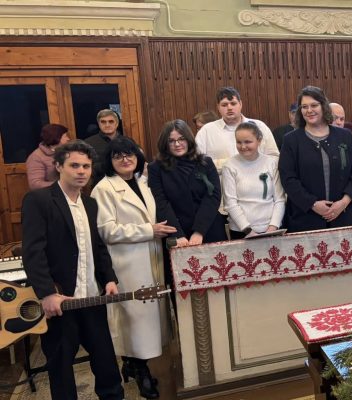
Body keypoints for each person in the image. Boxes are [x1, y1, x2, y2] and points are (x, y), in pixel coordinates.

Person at [21, 140, 124, 400]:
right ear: (58, 166)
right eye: (74, 165)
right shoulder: (38, 200)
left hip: (91, 298)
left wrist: (109, 279)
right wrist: (47, 293)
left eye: (86, 166)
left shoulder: (90, 204)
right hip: (60, 301)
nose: (81, 171)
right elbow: (33, 253)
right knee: (61, 368)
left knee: (106, 362)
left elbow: (98, 246)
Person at [90, 137, 174, 399]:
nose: (125, 160)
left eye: (130, 154)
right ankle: (138, 368)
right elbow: (106, 230)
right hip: (126, 263)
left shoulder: (142, 182)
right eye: (118, 156)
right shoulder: (104, 189)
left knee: (149, 318)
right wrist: (148, 230)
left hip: (151, 257)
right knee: (134, 319)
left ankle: (137, 364)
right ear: (110, 161)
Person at [148, 119, 227, 288]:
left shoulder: (205, 162)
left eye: (181, 139)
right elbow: (161, 202)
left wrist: (199, 231)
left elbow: (213, 197)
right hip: (178, 233)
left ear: (189, 139)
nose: (177, 144)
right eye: (171, 140)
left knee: (217, 284)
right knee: (184, 287)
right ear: (165, 143)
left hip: (208, 228)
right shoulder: (156, 168)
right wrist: (178, 235)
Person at [278, 86, 352, 233]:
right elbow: (288, 178)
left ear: (323, 106)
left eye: (314, 105)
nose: (309, 110)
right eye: (304, 107)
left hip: (343, 217)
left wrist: (344, 202)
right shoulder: (291, 140)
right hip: (305, 218)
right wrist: (312, 204)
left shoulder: (345, 136)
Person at [221, 121, 286, 239]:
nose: (243, 146)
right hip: (241, 230)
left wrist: (273, 227)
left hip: (271, 229)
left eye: (247, 142)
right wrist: (248, 230)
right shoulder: (229, 166)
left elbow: (279, 199)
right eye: (239, 142)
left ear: (259, 140)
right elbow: (230, 203)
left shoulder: (271, 163)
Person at [195, 86, 279, 171]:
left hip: (258, 176)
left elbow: (274, 157)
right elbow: (196, 162)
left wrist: (254, 164)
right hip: (221, 178)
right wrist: (229, 163)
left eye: (233, 103)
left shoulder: (260, 126)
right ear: (218, 107)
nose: (229, 108)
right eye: (224, 105)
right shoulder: (207, 131)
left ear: (240, 104)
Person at [26, 123, 70, 189]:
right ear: (57, 137)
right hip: (50, 194)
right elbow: (35, 184)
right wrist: (62, 185)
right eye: (65, 136)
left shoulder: (67, 152)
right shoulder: (36, 157)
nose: (68, 139)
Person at [84, 109, 123, 184]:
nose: (107, 125)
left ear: (117, 124)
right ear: (99, 124)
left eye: (111, 121)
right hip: (99, 184)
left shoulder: (127, 142)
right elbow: (85, 166)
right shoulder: (88, 143)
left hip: (124, 183)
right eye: (103, 122)